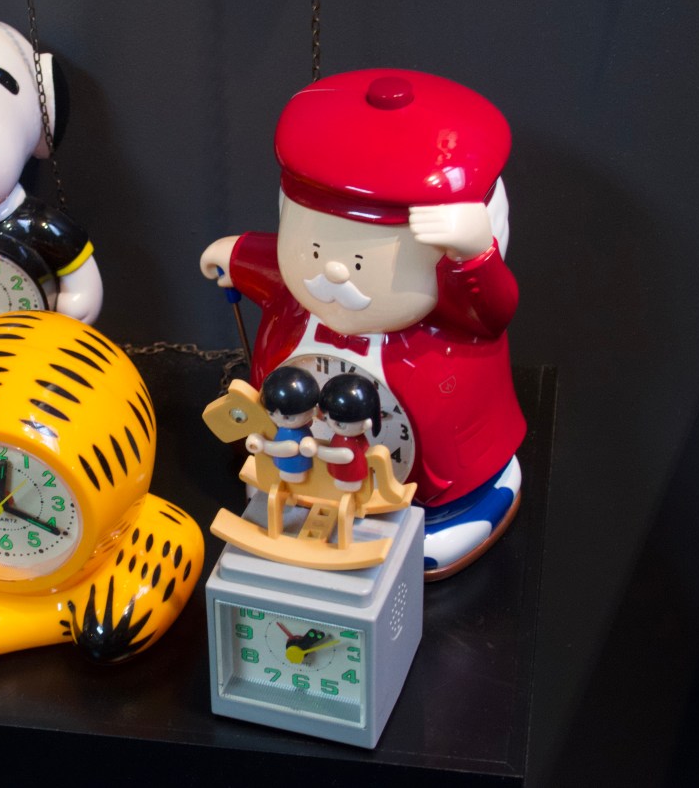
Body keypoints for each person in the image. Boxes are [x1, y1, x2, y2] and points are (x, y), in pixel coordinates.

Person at [199, 69, 525, 579]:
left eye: (358, 261)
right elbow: (282, 263)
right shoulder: (299, 290)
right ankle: (290, 481)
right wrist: (237, 255)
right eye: (314, 248)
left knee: (446, 483)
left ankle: (451, 511)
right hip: (300, 437)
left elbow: (494, 310)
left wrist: (475, 257)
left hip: (435, 467)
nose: (333, 273)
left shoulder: (457, 307)